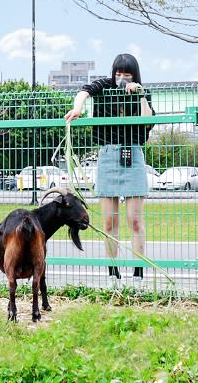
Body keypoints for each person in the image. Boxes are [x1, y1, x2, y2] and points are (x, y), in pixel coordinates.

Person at [64, 53, 154, 281]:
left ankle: (138, 274)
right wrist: (78, 108)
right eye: (118, 73)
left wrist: (140, 94)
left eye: (127, 74)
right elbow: (84, 90)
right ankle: (112, 273)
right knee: (109, 221)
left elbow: (148, 120)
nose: (121, 78)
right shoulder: (105, 86)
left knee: (135, 220)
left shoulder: (142, 92)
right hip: (107, 155)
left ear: (135, 75)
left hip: (132, 154)